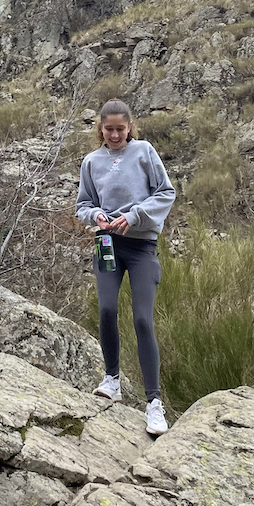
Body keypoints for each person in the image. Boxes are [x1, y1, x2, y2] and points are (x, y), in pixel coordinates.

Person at [75, 98, 176, 436]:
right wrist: (96, 216)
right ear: (100, 129)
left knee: (143, 319)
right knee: (106, 309)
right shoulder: (91, 161)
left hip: (141, 246)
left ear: (130, 127)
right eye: (109, 129)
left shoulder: (145, 152)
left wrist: (133, 216)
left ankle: (154, 404)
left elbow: (166, 193)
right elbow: (83, 204)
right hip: (107, 245)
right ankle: (112, 380)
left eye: (120, 129)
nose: (115, 134)